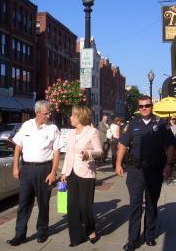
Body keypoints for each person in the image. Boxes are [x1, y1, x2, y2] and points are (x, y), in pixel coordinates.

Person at [115, 95, 176, 251]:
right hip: (136, 171)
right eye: (141, 106)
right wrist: (118, 163)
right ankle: (132, 240)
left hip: (155, 171)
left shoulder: (162, 124)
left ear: (152, 106)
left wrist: (169, 165)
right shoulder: (133, 124)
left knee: (151, 204)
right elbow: (122, 144)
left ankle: (149, 236)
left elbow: (170, 145)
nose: (144, 108)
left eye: (147, 105)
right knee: (135, 205)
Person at [7, 100, 62, 246]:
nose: (49, 115)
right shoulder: (26, 126)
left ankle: (42, 231)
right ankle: (20, 235)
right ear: (37, 113)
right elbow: (18, 147)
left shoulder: (53, 128)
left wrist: (53, 172)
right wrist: (15, 168)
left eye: (49, 112)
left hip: (44, 169)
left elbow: (56, 152)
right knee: (24, 203)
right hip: (26, 170)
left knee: (43, 203)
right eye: (46, 113)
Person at [61, 105, 103, 247]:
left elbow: (100, 151)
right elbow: (68, 153)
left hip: (86, 173)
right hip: (71, 173)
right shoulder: (71, 133)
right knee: (71, 206)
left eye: (73, 115)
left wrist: (88, 153)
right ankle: (76, 237)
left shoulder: (92, 132)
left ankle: (90, 229)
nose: (70, 117)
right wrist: (63, 172)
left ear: (80, 116)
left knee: (85, 205)